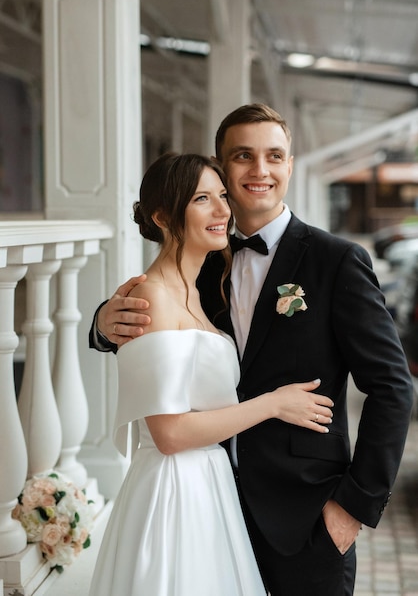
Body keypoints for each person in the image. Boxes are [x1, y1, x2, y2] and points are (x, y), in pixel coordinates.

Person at [89, 105, 414, 596]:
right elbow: (165, 341)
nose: (260, 170)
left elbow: (393, 388)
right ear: (224, 167)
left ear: (288, 165)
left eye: (274, 156)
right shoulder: (203, 264)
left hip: (307, 520)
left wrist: (353, 507)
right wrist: (100, 324)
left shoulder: (337, 261)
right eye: (243, 156)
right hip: (208, 511)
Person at [88, 151, 334, 596]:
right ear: (163, 216)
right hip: (173, 493)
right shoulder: (152, 297)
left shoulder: (204, 289)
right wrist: (274, 403)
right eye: (203, 198)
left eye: (222, 195)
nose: (223, 210)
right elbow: (169, 434)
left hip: (212, 485)